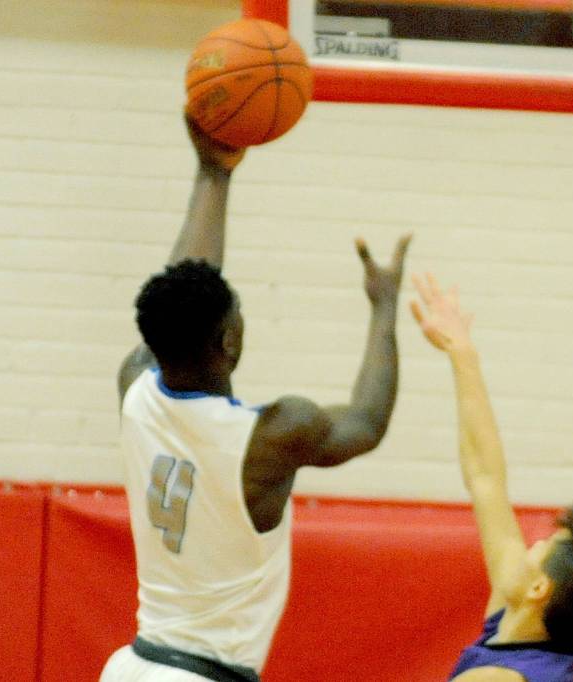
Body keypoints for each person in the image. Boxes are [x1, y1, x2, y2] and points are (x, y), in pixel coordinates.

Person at [99, 117, 412, 682]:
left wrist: (212, 175)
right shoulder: (270, 435)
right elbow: (365, 422)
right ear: (229, 340)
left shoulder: (135, 390)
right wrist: (385, 307)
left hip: (134, 667)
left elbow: (183, 287)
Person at [407, 272, 573, 682]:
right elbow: (485, 477)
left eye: (539, 548)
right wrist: (463, 356)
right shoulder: (536, 625)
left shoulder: (499, 678)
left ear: (539, 589)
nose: (528, 544)